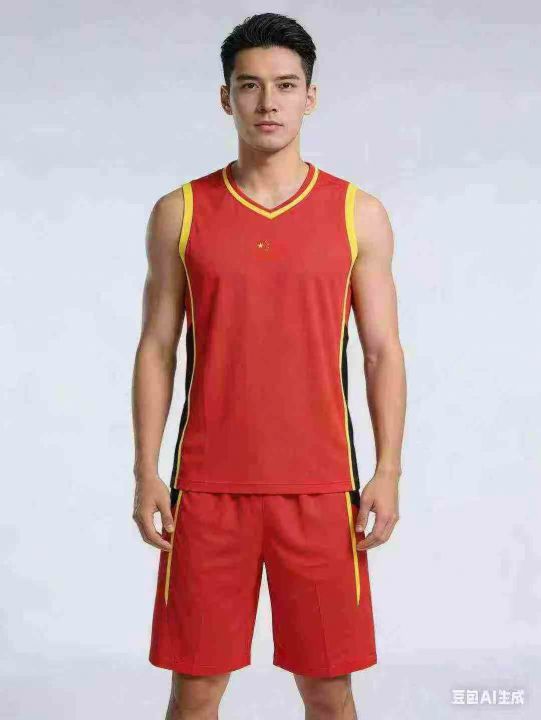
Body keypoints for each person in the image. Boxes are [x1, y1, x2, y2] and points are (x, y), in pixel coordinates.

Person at [131, 11, 406, 720]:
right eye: (249, 85)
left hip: (322, 489)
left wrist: (386, 470)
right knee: (194, 691)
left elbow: (381, 351)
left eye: (285, 85)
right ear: (226, 97)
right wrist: (146, 471)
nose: (267, 102)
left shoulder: (357, 213)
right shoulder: (180, 212)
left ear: (310, 97)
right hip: (205, 490)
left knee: (329, 692)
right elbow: (157, 347)